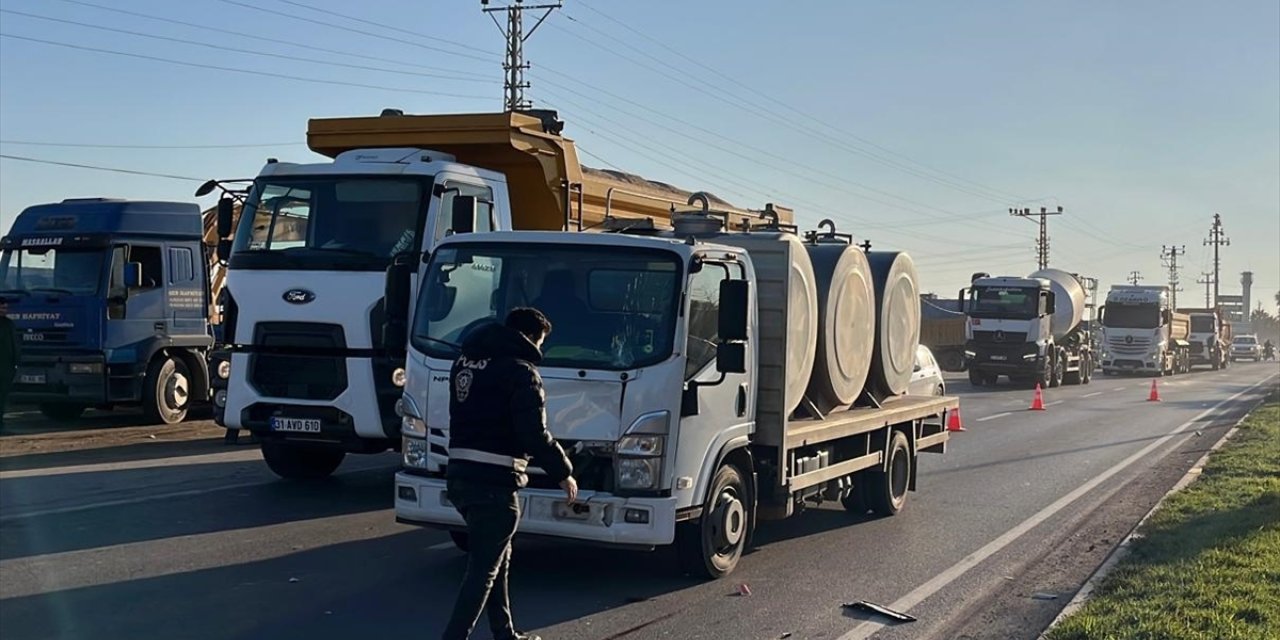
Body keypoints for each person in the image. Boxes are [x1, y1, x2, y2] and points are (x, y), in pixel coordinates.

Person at [442, 307, 576, 640]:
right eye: (541, 342)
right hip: (494, 482)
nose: (541, 350)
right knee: (483, 572)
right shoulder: (521, 372)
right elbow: (534, 433)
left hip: (459, 475)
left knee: (497, 558)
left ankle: (505, 634)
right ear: (531, 337)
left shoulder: (465, 362)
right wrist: (564, 471)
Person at [0, 297, 19, 429]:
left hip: (6, 367)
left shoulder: (8, 324)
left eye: (5, 308)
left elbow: (14, 345)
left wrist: (16, 362)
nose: (4, 310)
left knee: (2, 397)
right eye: (1, 308)